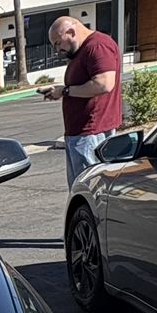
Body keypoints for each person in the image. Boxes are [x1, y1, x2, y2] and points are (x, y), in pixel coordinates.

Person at [38, 16, 122, 187]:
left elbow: (104, 84)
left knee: (87, 190)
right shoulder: (85, 50)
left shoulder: (97, 46)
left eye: (57, 43)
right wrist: (60, 92)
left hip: (91, 132)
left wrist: (66, 91)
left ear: (71, 32)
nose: (57, 50)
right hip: (82, 132)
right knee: (81, 189)